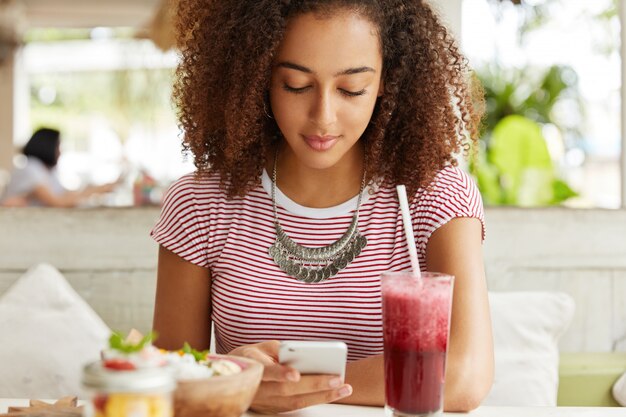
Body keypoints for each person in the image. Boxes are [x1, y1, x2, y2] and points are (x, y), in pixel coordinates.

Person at [152, 0, 494, 414]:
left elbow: (464, 375)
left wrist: (281, 386)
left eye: (351, 89)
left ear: (387, 79)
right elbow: (165, 374)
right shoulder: (200, 204)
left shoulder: (434, 194)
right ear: (259, 75)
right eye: (296, 84)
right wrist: (234, 373)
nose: (323, 118)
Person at [0, 128, 117, 207]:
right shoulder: (31, 168)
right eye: (58, 146)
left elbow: (65, 194)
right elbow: (56, 202)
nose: (60, 151)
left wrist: (94, 188)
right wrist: (93, 191)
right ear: (47, 146)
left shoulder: (47, 170)